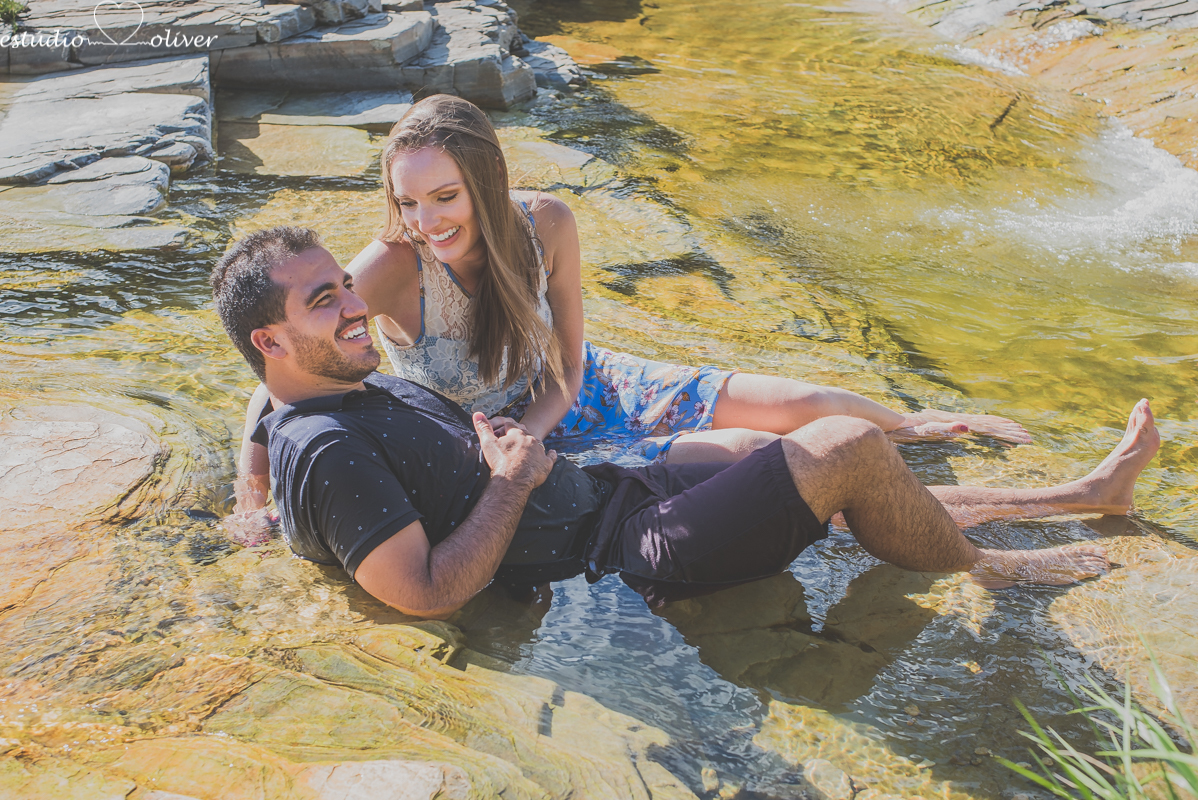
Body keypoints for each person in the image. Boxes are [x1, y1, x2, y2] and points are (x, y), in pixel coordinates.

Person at [210, 227, 1161, 618]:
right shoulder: (326, 448)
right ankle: (993, 570)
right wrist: (510, 481)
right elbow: (421, 592)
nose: (351, 305)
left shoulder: (340, 390)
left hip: (613, 489)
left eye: (343, 285)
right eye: (323, 300)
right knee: (845, 446)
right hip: (619, 549)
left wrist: (510, 451)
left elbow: (267, 410)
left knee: (765, 444)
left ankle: (1080, 493)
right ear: (271, 339)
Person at [233, 95, 1032, 511]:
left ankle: (918, 428)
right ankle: (965, 506)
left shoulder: (544, 222)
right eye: (408, 203)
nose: (425, 221)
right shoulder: (392, 266)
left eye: (444, 197)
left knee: (803, 400)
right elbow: (275, 375)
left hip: (577, 392)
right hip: (517, 446)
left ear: (486, 181)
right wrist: (253, 494)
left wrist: (543, 416)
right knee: (764, 457)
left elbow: (573, 357)